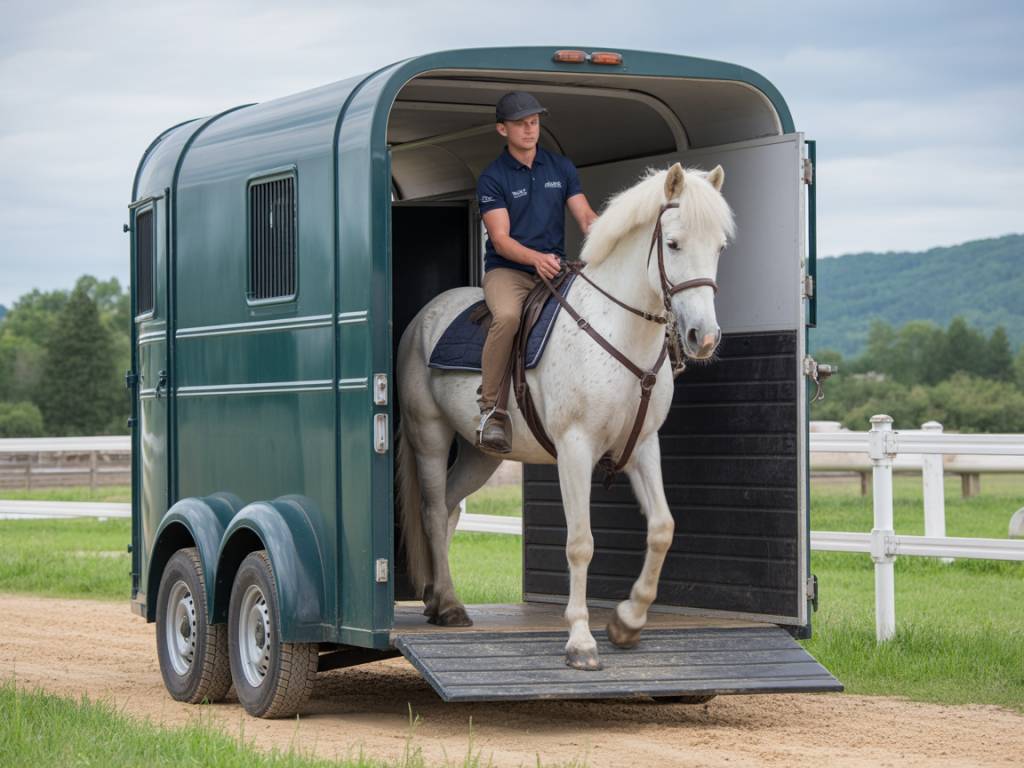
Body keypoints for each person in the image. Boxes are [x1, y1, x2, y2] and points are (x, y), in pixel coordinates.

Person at [475, 91, 599, 452]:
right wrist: (535, 259)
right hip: (508, 272)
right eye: (521, 124)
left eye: (534, 122)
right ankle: (490, 411)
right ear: (502, 129)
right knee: (508, 318)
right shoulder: (492, 178)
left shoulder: (561, 168)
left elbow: (586, 217)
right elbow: (501, 240)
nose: (530, 130)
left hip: (555, 269)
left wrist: (610, 237)